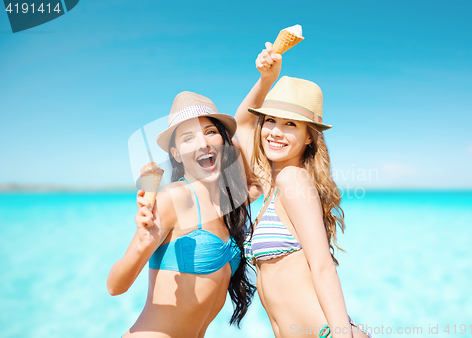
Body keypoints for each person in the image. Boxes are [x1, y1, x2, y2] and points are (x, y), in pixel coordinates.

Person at [234, 43, 372, 338]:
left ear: (309, 136)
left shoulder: (292, 179)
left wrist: (342, 334)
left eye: (290, 124)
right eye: (270, 120)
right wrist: (266, 79)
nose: (275, 132)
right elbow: (241, 123)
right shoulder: (271, 185)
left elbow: (322, 266)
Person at [107, 91, 255, 337]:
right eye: (188, 138)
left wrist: (266, 80)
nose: (203, 144)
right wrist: (144, 242)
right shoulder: (174, 197)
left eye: (210, 132)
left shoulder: (228, 204)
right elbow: (114, 286)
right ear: (176, 154)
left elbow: (256, 171)